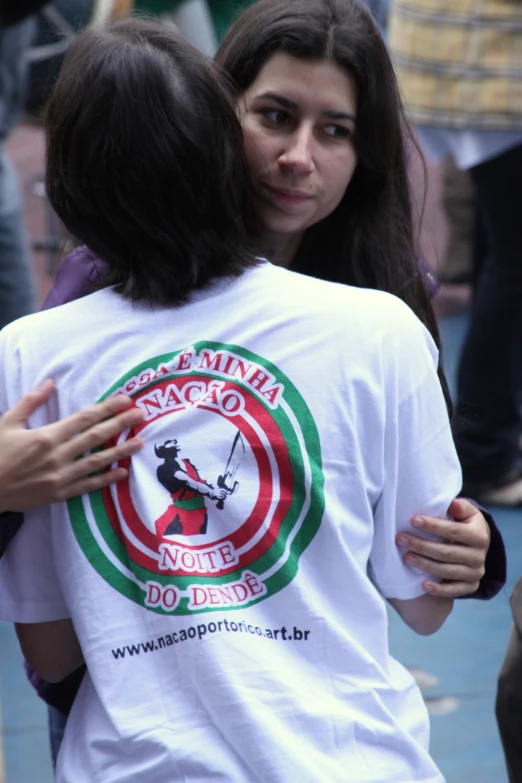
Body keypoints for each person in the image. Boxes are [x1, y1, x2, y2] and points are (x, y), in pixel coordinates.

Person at [0, 14, 463, 782]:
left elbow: (53, 648)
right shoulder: (382, 329)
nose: (297, 157)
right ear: (220, 124)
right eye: (275, 116)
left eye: (335, 130)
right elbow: (422, 602)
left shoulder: (33, 354)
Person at [388, 0, 522, 506]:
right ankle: (485, 449)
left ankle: (494, 427)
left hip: (448, 57)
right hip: (489, 68)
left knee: (502, 249)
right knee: (514, 261)